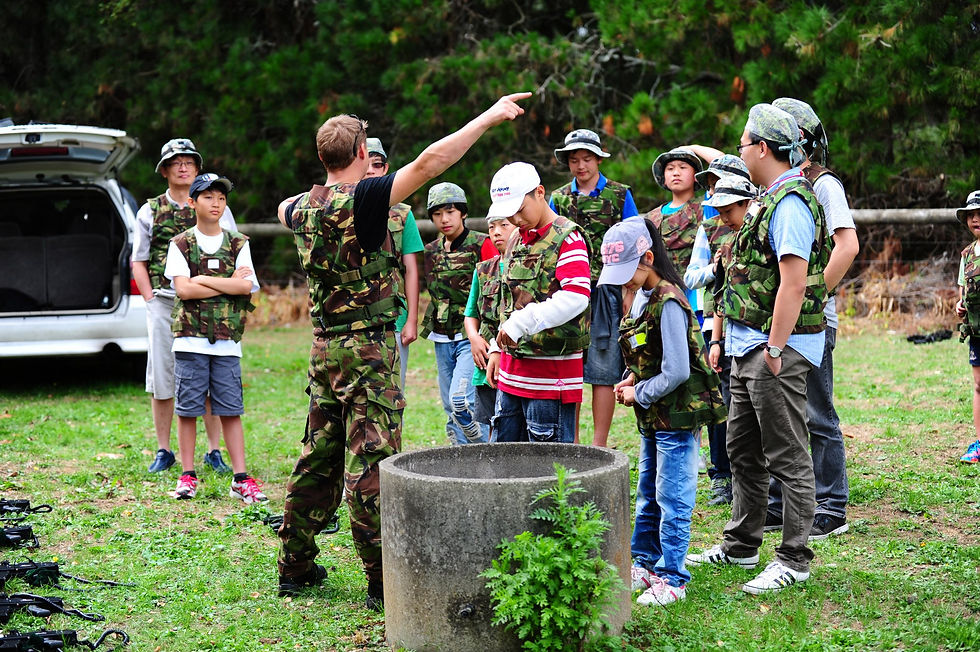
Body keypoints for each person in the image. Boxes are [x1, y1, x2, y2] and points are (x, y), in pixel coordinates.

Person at [275, 93, 530, 609]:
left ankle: (294, 566)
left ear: (322, 156)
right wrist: (489, 115)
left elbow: (284, 208)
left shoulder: (299, 208)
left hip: (324, 350)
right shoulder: (367, 199)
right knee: (372, 465)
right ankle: (381, 580)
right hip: (368, 352)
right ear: (362, 152)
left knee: (317, 457)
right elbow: (431, 161)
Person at [686, 103, 832, 595]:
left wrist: (774, 347)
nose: (740, 152)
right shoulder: (769, 197)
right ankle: (742, 545)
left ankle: (794, 558)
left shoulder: (790, 203)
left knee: (787, 454)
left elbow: (794, 283)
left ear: (763, 148)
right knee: (742, 450)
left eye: (743, 144)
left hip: (775, 350)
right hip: (748, 347)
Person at [599, 218, 725, 607]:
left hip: (678, 417)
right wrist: (631, 377)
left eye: (627, 271)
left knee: (673, 496)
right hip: (656, 417)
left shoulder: (669, 300)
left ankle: (673, 577)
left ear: (649, 258)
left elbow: (677, 371)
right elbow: (651, 356)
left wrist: (638, 393)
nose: (622, 282)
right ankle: (645, 563)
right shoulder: (643, 296)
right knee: (648, 492)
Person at [766, 97, 860, 540]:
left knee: (817, 414)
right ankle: (779, 503)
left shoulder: (823, 184)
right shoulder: (780, 184)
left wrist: (813, 294)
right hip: (781, 319)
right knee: (779, 414)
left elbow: (848, 245)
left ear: (799, 137)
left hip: (814, 321)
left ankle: (832, 506)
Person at [132, 138, 234, 475]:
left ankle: (214, 450)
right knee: (163, 377)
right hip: (164, 302)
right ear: (164, 170)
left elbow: (233, 250)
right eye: (175, 162)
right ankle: (164, 450)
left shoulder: (215, 204)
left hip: (208, 304)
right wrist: (150, 300)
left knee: (210, 375)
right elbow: (138, 260)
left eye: (189, 161)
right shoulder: (150, 210)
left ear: (198, 168)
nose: (183, 167)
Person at [163, 174, 264, 503]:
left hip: (227, 342)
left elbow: (245, 287)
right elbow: (183, 290)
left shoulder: (239, 243)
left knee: (230, 409)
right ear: (192, 203)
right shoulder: (180, 244)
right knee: (188, 410)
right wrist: (224, 281)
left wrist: (202, 278)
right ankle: (188, 475)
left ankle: (240, 479)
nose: (216, 203)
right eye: (208, 197)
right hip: (189, 340)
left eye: (221, 197)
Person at [485, 162, 591, 444]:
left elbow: (576, 296)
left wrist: (521, 323)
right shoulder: (515, 240)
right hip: (511, 374)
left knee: (547, 461)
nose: (516, 219)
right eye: (510, 213)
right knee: (505, 454)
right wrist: (496, 346)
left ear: (540, 193)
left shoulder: (568, 238)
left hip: (550, 378)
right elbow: (507, 299)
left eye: (521, 209)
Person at [550, 129, 640, 447]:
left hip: (608, 291)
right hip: (568, 291)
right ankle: (572, 443)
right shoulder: (559, 198)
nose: (581, 165)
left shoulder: (619, 195)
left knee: (604, 366)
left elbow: (635, 241)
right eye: (574, 159)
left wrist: (630, 291)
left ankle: (599, 445)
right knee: (571, 366)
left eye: (587, 158)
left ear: (599, 159)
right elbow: (549, 241)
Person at [684, 154, 753, 505]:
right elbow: (691, 277)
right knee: (720, 402)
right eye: (710, 186)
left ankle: (754, 477)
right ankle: (722, 476)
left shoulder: (757, 222)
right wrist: (715, 270)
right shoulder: (710, 228)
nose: (713, 192)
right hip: (717, 326)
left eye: (718, 184)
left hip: (754, 325)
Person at [422, 182, 489, 444]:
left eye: (450, 212)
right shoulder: (431, 251)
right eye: (437, 214)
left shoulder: (481, 244)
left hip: (471, 337)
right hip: (441, 337)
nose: (444, 219)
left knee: (461, 401)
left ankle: (488, 451)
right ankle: (461, 459)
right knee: (450, 408)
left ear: (462, 212)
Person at [364, 137, 423, 389]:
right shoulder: (341, 209)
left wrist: (412, 319)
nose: (370, 170)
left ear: (385, 169)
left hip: (394, 318)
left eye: (376, 164)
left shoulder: (402, 214)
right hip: (355, 320)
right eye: (365, 164)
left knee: (393, 390)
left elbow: (411, 270)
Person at [464, 212, 517, 435]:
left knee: (513, 428)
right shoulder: (483, 270)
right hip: (486, 366)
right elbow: (470, 313)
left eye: (504, 225)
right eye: (491, 227)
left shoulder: (527, 268)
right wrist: (473, 337)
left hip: (515, 363)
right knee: (491, 427)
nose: (496, 232)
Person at [645, 147, 705, 312]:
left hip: (698, 301)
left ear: (696, 176)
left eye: (683, 167)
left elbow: (726, 168)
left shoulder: (705, 207)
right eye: (670, 169)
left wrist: (694, 148)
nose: (676, 173)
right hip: (663, 301)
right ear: (663, 178)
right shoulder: (651, 217)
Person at [954, 190, 980, 464]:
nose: (975, 219)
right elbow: (963, 293)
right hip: (977, 332)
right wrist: (960, 306)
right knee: (979, 385)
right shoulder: (967, 255)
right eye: (971, 215)